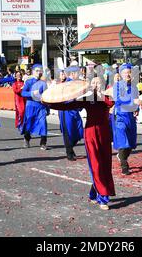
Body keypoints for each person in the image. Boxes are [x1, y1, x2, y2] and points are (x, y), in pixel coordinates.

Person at [45, 77, 115, 210]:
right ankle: (103, 198)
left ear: (103, 85)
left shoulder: (107, 97)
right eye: (93, 83)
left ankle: (94, 194)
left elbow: (110, 103)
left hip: (105, 134)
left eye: (98, 83)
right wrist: (49, 103)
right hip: (91, 134)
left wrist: (100, 94)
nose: (95, 85)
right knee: (96, 164)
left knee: (105, 164)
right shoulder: (87, 99)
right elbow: (68, 105)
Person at [113, 64, 141, 175]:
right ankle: (124, 165)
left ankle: (121, 156)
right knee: (123, 140)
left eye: (129, 72)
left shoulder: (134, 87)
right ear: (121, 74)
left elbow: (136, 99)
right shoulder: (117, 86)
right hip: (120, 115)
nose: (127, 74)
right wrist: (132, 102)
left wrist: (137, 108)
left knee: (130, 143)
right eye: (125, 72)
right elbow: (118, 100)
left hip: (130, 117)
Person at [57, 68, 84, 161]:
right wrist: (74, 99)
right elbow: (62, 98)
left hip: (74, 110)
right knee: (68, 132)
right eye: (78, 73)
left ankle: (70, 148)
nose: (80, 74)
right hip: (66, 111)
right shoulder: (65, 85)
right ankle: (69, 152)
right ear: (73, 73)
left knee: (79, 131)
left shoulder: (77, 83)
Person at [21, 64, 49, 150]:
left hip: (41, 106)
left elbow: (47, 96)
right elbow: (23, 93)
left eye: (40, 70)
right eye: (37, 70)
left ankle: (43, 143)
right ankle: (27, 139)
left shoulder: (44, 83)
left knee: (43, 123)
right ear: (33, 72)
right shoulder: (29, 82)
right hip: (31, 106)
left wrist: (47, 108)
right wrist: (32, 93)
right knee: (29, 123)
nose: (39, 72)